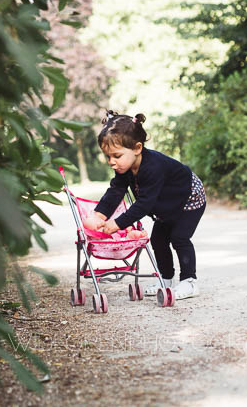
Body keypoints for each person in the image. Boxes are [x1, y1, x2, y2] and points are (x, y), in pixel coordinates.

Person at [82, 111, 206, 299]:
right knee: (158, 239)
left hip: (189, 197)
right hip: (166, 203)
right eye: (108, 157)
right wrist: (100, 215)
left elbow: (144, 204)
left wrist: (116, 224)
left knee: (179, 237)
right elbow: (116, 190)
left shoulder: (152, 167)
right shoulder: (125, 168)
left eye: (116, 155)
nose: (111, 162)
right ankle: (165, 278)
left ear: (137, 148)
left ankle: (189, 281)